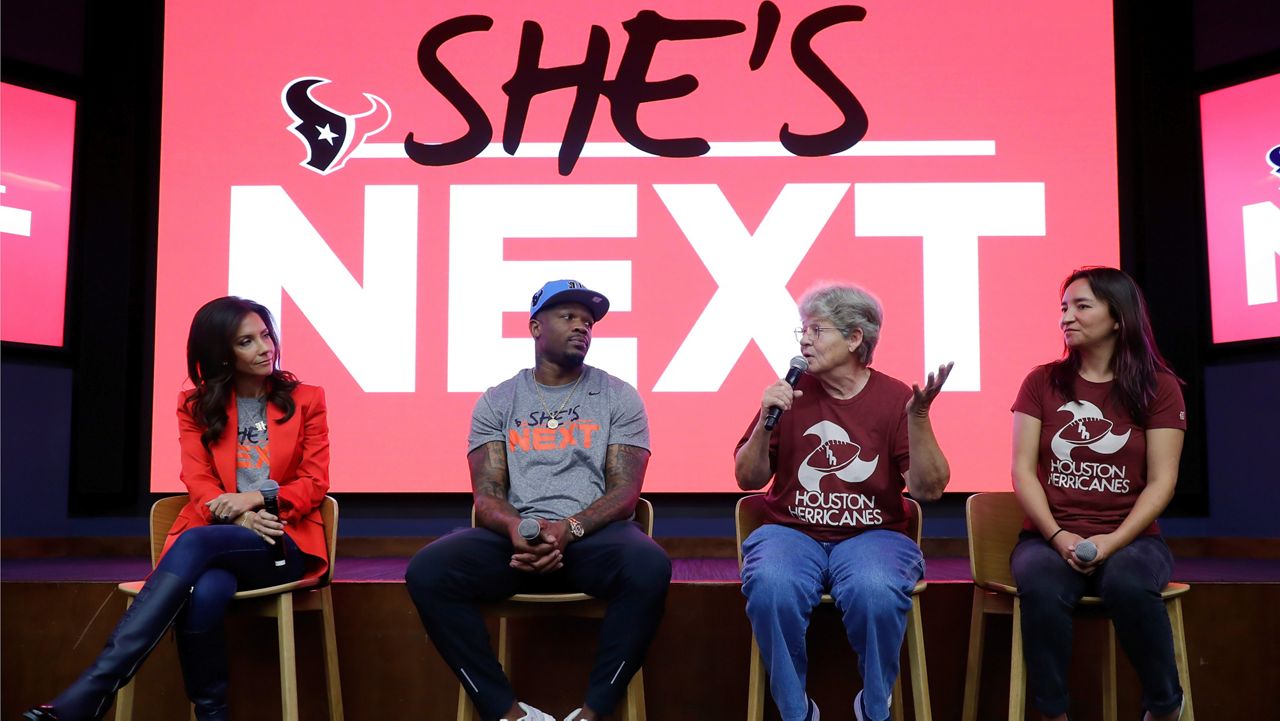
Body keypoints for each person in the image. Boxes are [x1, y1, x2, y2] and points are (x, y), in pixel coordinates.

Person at [25, 296, 331, 721]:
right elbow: (198, 481)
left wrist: (256, 499)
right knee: (204, 594)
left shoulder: (307, 399)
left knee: (198, 544)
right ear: (221, 354)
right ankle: (210, 714)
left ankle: (94, 689)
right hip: (220, 536)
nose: (265, 347)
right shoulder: (195, 406)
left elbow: (315, 483)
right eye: (247, 341)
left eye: (265, 334)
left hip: (281, 542)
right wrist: (237, 515)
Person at [405, 279, 671, 721]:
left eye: (587, 321)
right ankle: (508, 714)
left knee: (650, 565)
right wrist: (516, 530)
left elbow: (625, 492)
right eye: (568, 317)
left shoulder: (617, 396)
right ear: (535, 327)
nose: (581, 327)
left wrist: (569, 529)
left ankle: (593, 712)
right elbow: (487, 492)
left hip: (589, 539)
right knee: (428, 571)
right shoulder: (498, 400)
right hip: (517, 543)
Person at [735, 282, 952, 721]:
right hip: (791, 531)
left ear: (855, 338)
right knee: (771, 585)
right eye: (802, 330)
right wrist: (765, 422)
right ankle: (796, 711)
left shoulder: (895, 400)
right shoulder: (789, 394)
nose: (804, 340)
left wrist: (919, 418)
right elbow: (747, 478)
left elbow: (928, 490)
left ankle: (874, 708)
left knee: (875, 590)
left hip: (875, 534)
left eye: (817, 330)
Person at [1010, 266, 1186, 721]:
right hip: (1047, 538)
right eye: (1063, 307)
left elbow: (1162, 481)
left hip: (1134, 540)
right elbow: (1023, 471)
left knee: (1128, 582)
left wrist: (1113, 541)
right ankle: (1053, 713)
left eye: (1081, 306)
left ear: (1117, 317)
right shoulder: (1041, 382)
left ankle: (1165, 706)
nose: (1066, 317)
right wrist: (1056, 536)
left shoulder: (1158, 387)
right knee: (1042, 586)